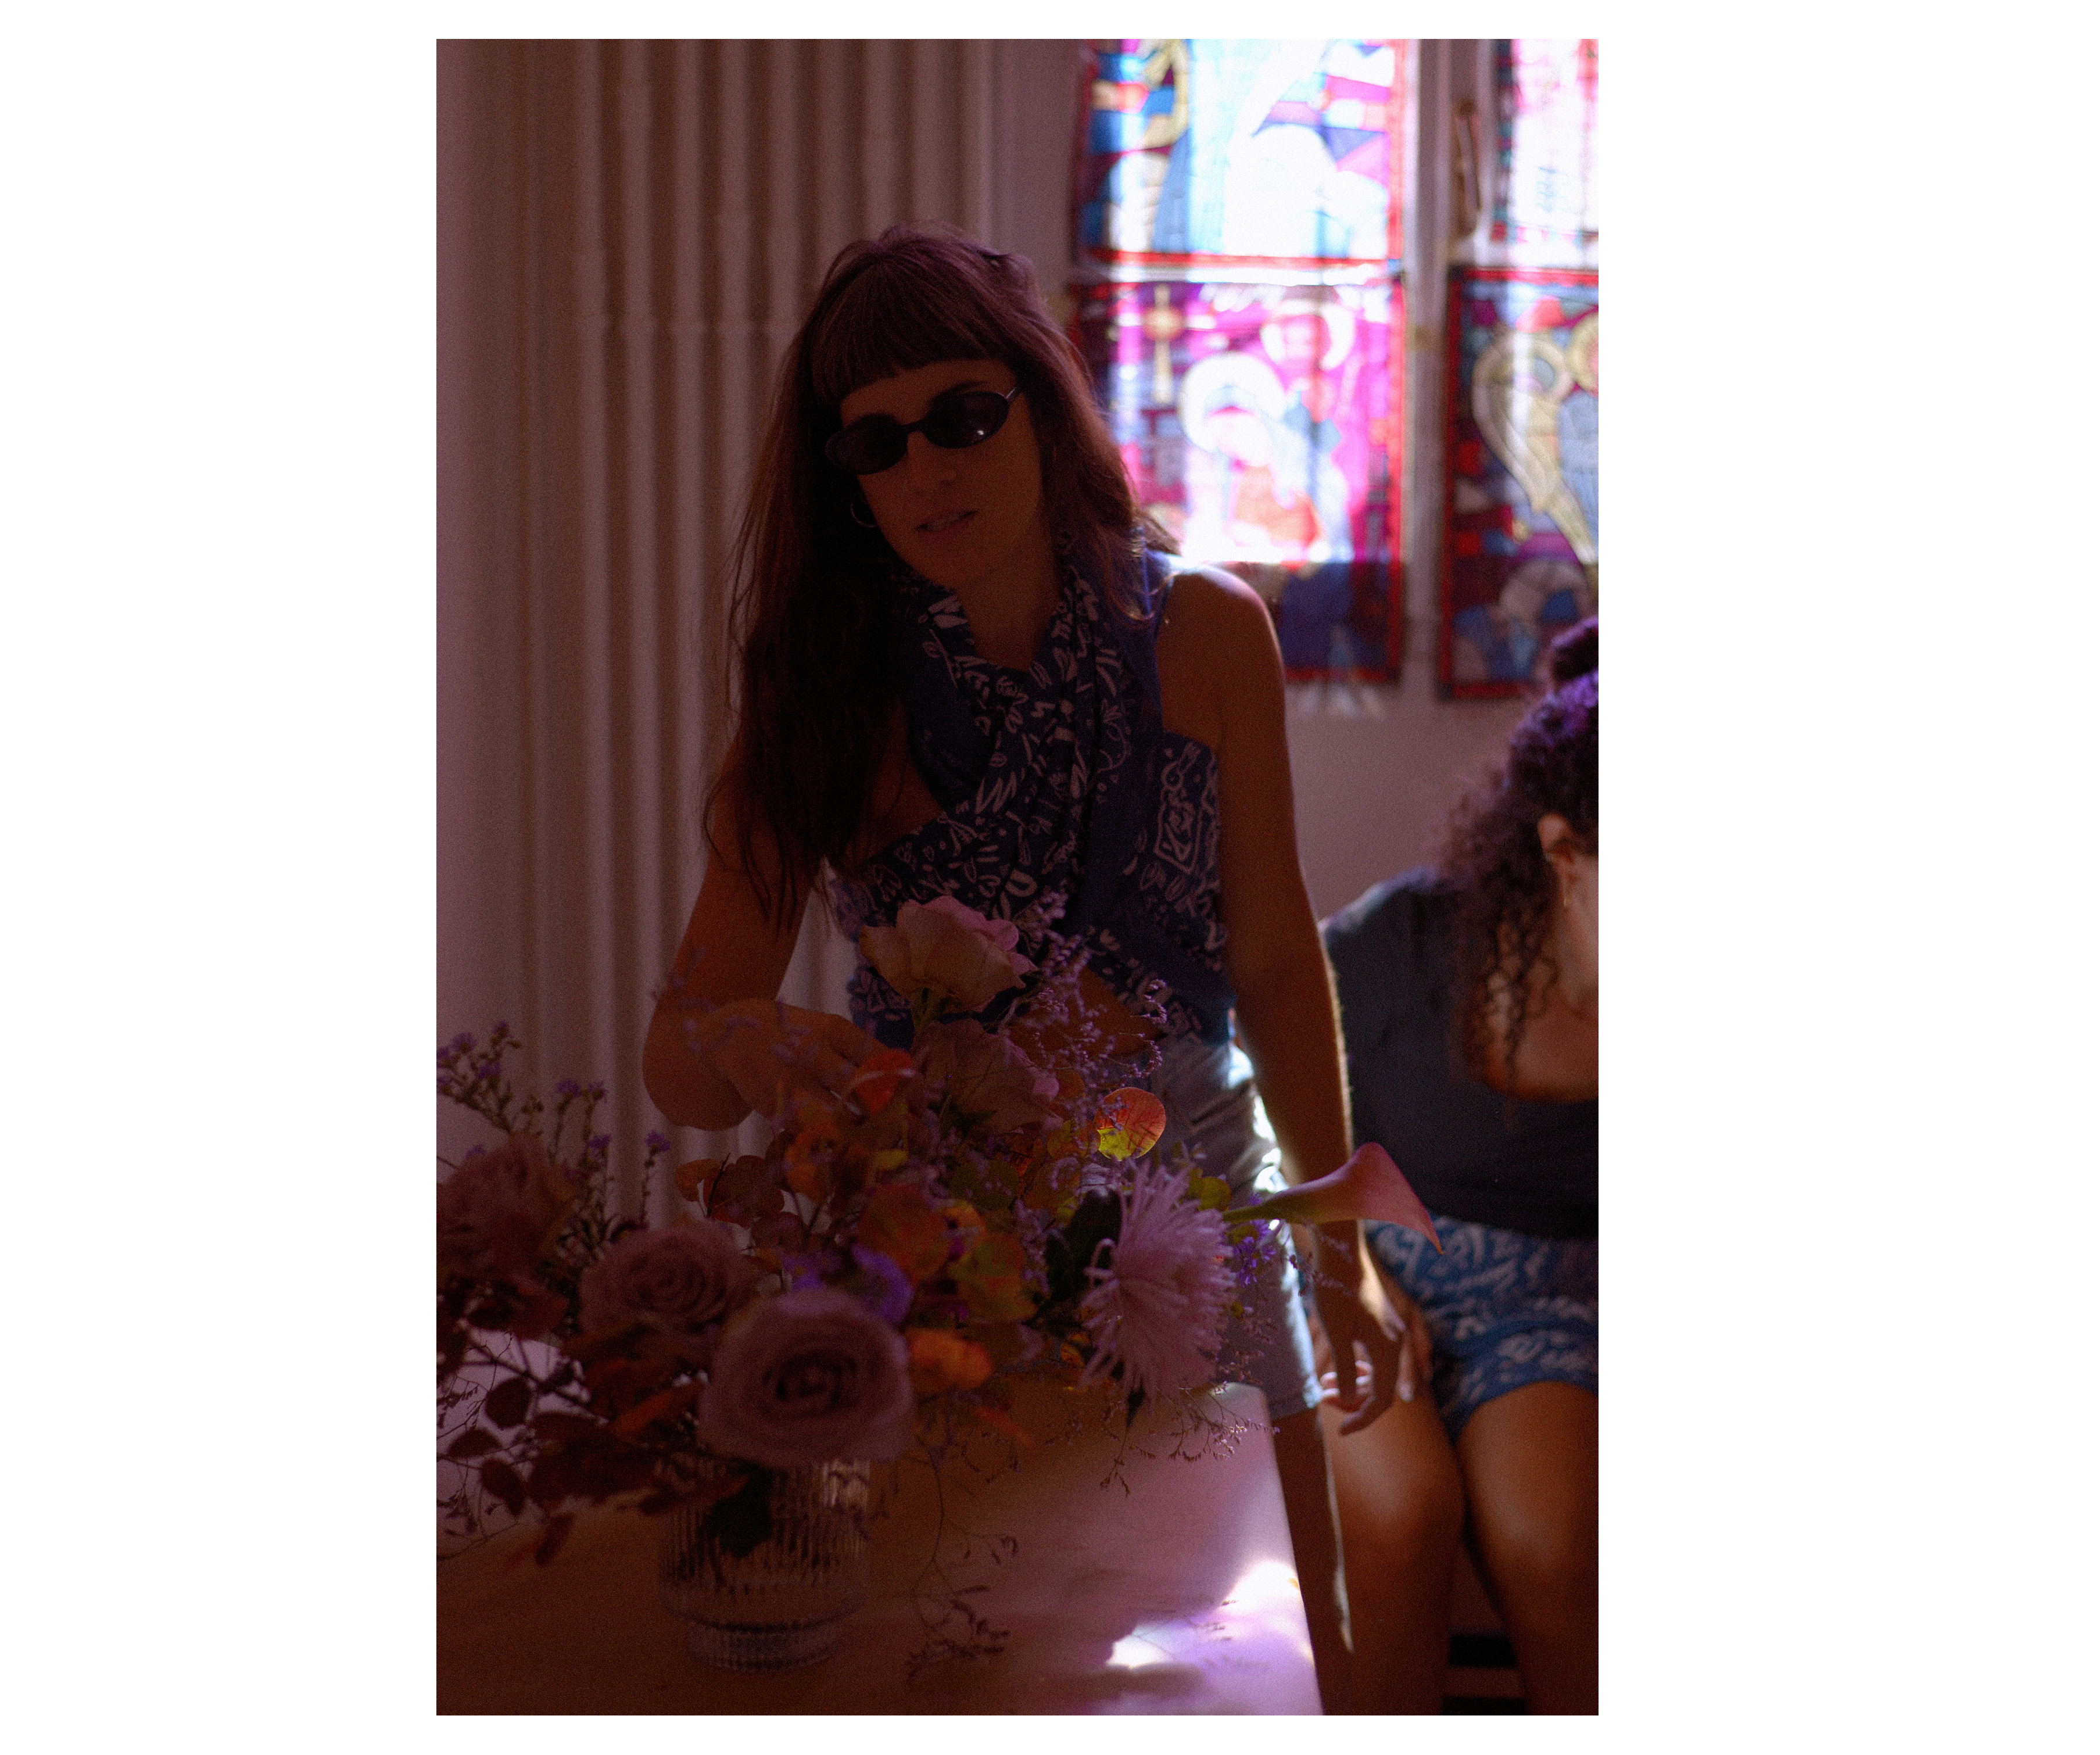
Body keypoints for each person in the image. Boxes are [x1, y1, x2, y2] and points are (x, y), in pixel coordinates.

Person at [641, 223, 1403, 1711]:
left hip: (1200, 1215)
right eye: (875, 441)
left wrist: (1338, 1243)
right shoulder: (817, 698)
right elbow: (682, 1060)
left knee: (1272, 1657)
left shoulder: (1208, 631)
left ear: (1040, 407)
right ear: (844, 480)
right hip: (942, 1249)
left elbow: (1269, 956)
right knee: (979, 1659)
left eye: (962, 414)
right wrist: (742, 1039)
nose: (926, 467)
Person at [1317, 618, 1598, 1713]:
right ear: (1565, 855)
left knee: (1552, 1547)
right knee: (1404, 1510)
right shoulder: (1402, 946)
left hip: (1552, 1305)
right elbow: (1261, 1125)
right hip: (1358, 1266)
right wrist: (1350, 1276)